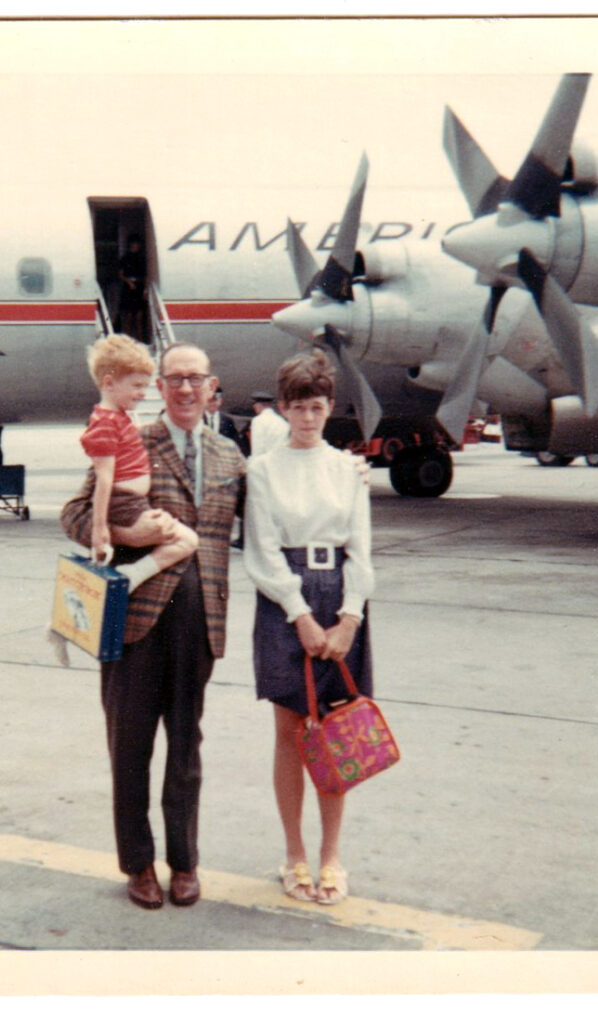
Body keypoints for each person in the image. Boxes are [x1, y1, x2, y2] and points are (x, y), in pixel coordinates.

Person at [61, 342, 247, 910]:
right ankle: (138, 863)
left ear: (212, 386)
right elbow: (74, 513)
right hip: (134, 623)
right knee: (131, 747)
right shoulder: (130, 437)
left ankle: (184, 862)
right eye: (175, 380)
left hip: (201, 625)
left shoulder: (229, 456)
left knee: (186, 749)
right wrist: (129, 537)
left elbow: (268, 523)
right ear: (159, 387)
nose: (186, 389)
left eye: (197, 379)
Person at [243, 350, 374, 905]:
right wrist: (299, 615)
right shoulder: (264, 470)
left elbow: (363, 550)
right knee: (291, 731)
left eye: (317, 407)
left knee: (338, 730)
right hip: (284, 598)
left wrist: (349, 618)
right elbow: (263, 548)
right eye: (297, 408)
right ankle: (295, 853)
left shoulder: (347, 468)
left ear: (328, 408)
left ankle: (331, 857)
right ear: (283, 409)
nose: (308, 418)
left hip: (338, 589)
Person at [80, 333, 197, 592]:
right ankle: (133, 575)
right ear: (109, 383)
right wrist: (100, 530)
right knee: (187, 540)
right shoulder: (105, 424)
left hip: (134, 504)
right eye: (137, 386)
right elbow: (104, 480)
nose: (143, 394)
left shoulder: (117, 418)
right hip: (125, 506)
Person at [117, 234, 148, 343]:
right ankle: (126, 341)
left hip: (139, 287)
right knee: (128, 316)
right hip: (128, 287)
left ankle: (139, 341)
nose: (135, 246)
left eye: (137, 244)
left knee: (139, 316)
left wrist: (145, 289)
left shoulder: (142, 259)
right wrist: (128, 282)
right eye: (134, 244)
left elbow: (146, 276)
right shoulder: (125, 258)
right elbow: (120, 274)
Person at [247, 390, 289, 458]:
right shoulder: (282, 422)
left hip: (268, 463)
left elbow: (258, 448)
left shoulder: (258, 421)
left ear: (258, 406)